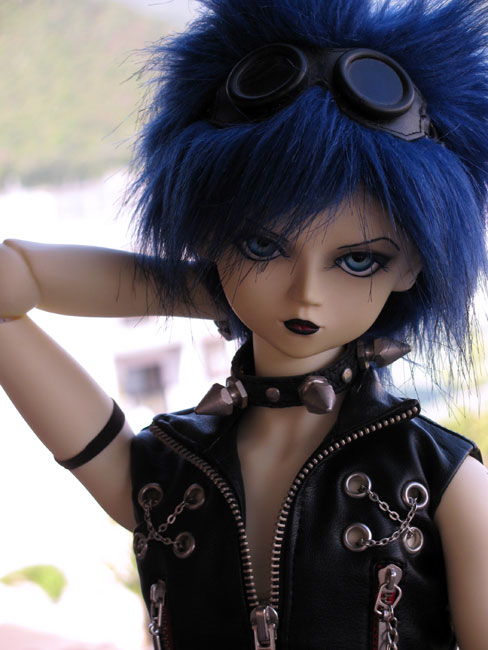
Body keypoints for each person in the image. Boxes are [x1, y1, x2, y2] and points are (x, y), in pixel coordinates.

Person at [1, 0, 488, 648]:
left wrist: (240, 278)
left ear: (411, 266)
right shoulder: (169, 470)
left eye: (359, 260)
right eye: (263, 245)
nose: (306, 293)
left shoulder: (440, 481)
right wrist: (206, 287)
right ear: (209, 235)